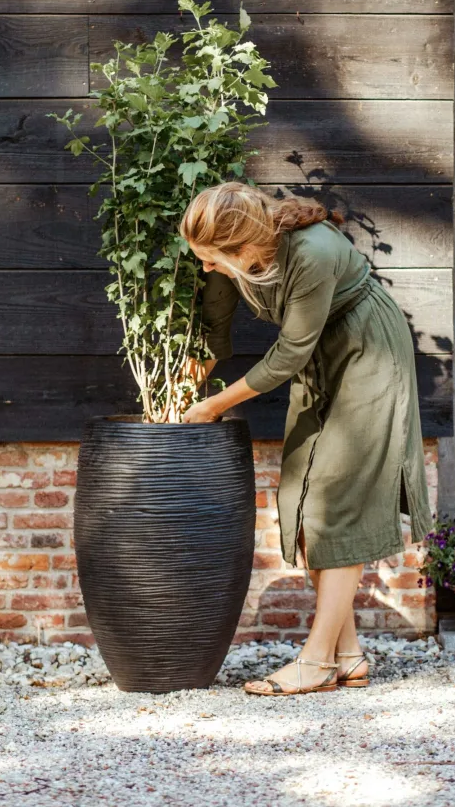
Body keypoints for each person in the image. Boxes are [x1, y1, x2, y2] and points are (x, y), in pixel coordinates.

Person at [179, 182, 433, 697]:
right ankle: (348, 654)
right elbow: (216, 324)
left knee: (337, 496)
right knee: (303, 493)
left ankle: (316, 662)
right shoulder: (235, 258)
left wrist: (212, 407)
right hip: (322, 355)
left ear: (244, 246)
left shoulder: (311, 253)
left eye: (211, 260)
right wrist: (190, 382)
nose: (205, 268)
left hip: (367, 352)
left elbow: (291, 352)